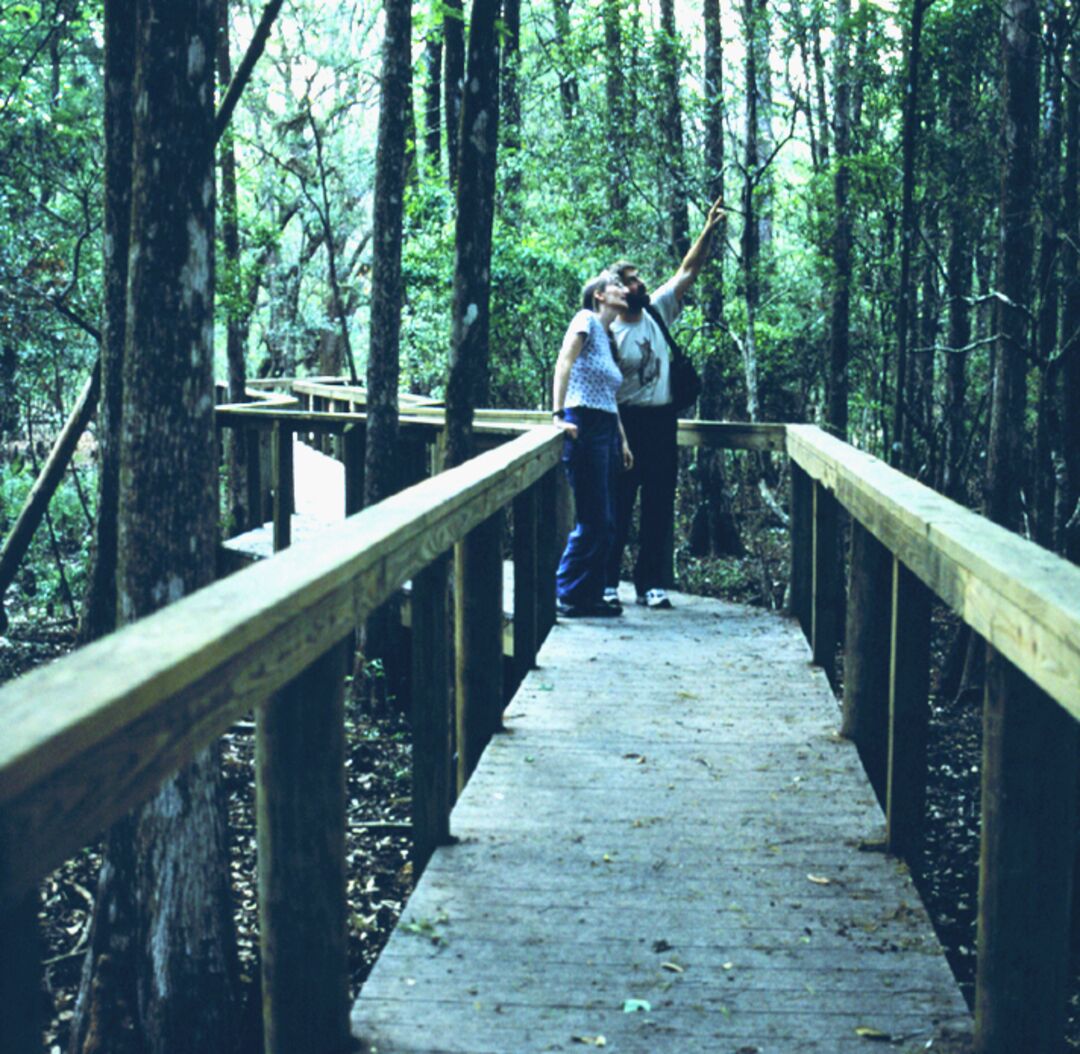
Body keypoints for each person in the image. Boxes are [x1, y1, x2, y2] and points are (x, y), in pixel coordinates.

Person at [605, 197, 725, 610]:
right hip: (625, 424)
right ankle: (608, 580)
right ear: (619, 290)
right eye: (633, 281)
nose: (641, 285)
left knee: (659, 502)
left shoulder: (656, 311)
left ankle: (649, 582)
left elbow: (687, 271)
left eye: (640, 280)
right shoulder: (609, 331)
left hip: (660, 423)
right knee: (619, 503)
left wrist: (708, 229)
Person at [551, 271, 634, 618]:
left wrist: (623, 440)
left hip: (604, 428)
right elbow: (564, 362)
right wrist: (558, 414)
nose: (625, 290)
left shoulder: (608, 334)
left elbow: (608, 396)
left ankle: (591, 595)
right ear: (599, 295)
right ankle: (568, 593)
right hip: (582, 422)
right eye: (617, 285)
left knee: (607, 519)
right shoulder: (585, 319)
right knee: (593, 517)